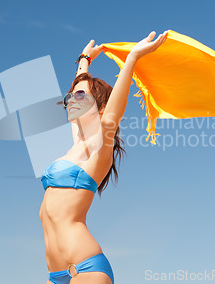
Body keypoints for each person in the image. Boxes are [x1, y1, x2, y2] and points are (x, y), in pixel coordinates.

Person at [39, 30, 168, 284]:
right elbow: (80, 87)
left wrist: (132, 59)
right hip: (56, 276)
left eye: (80, 97)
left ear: (100, 107)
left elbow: (111, 117)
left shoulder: (98, 149)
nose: (71, 100)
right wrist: (84, 59)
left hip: (86, 270)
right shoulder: (76, 144)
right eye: (69, 97)